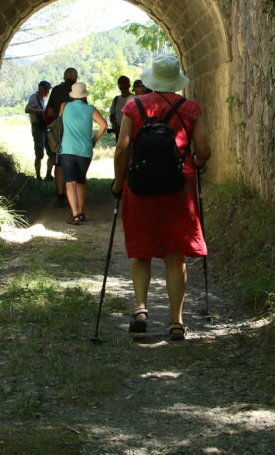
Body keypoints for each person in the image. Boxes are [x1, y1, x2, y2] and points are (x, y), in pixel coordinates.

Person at [111, 55, 211, 341]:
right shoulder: (190, 108)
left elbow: (122, 148)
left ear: (153, 79)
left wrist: (119, 182)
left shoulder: (134, 105)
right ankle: (176, 322)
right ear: (176, 81)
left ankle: (141, 309)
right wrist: (198, 165)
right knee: (174, 254)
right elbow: (203, 149)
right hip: (179, 187)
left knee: (141, 249)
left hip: (140, 185)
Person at [57, 82, 107, 224]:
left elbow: (59, 123)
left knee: (70, 183)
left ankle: (75, 215)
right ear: (85, 95)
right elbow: (104, 125)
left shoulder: (64, 106)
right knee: (80, 182)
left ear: (72, 94)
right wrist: (94, 140)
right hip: (85, 150)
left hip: (67, 149)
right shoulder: (90, 109)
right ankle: (81, 212)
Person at [45, 67, 77, 207]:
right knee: (73, 162)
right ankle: (71, 192)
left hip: (60, 131)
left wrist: (56, 122)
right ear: (75, 77)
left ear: (64, 77)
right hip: (75, 132)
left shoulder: (56, 90)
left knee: (59, 163)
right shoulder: (78, 90)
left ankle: (60, 194)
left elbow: (50, 111)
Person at [24, 80, 51, 180]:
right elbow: (27, 109)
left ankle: (47, 175)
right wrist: (43, 111)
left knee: (49, 151)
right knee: (39, 152)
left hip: (42, 127)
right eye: (46, 90)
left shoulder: (41, 99)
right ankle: (38, 176)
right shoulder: (34, 97)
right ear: (40, 88)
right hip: (37, 127)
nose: (48, 92)